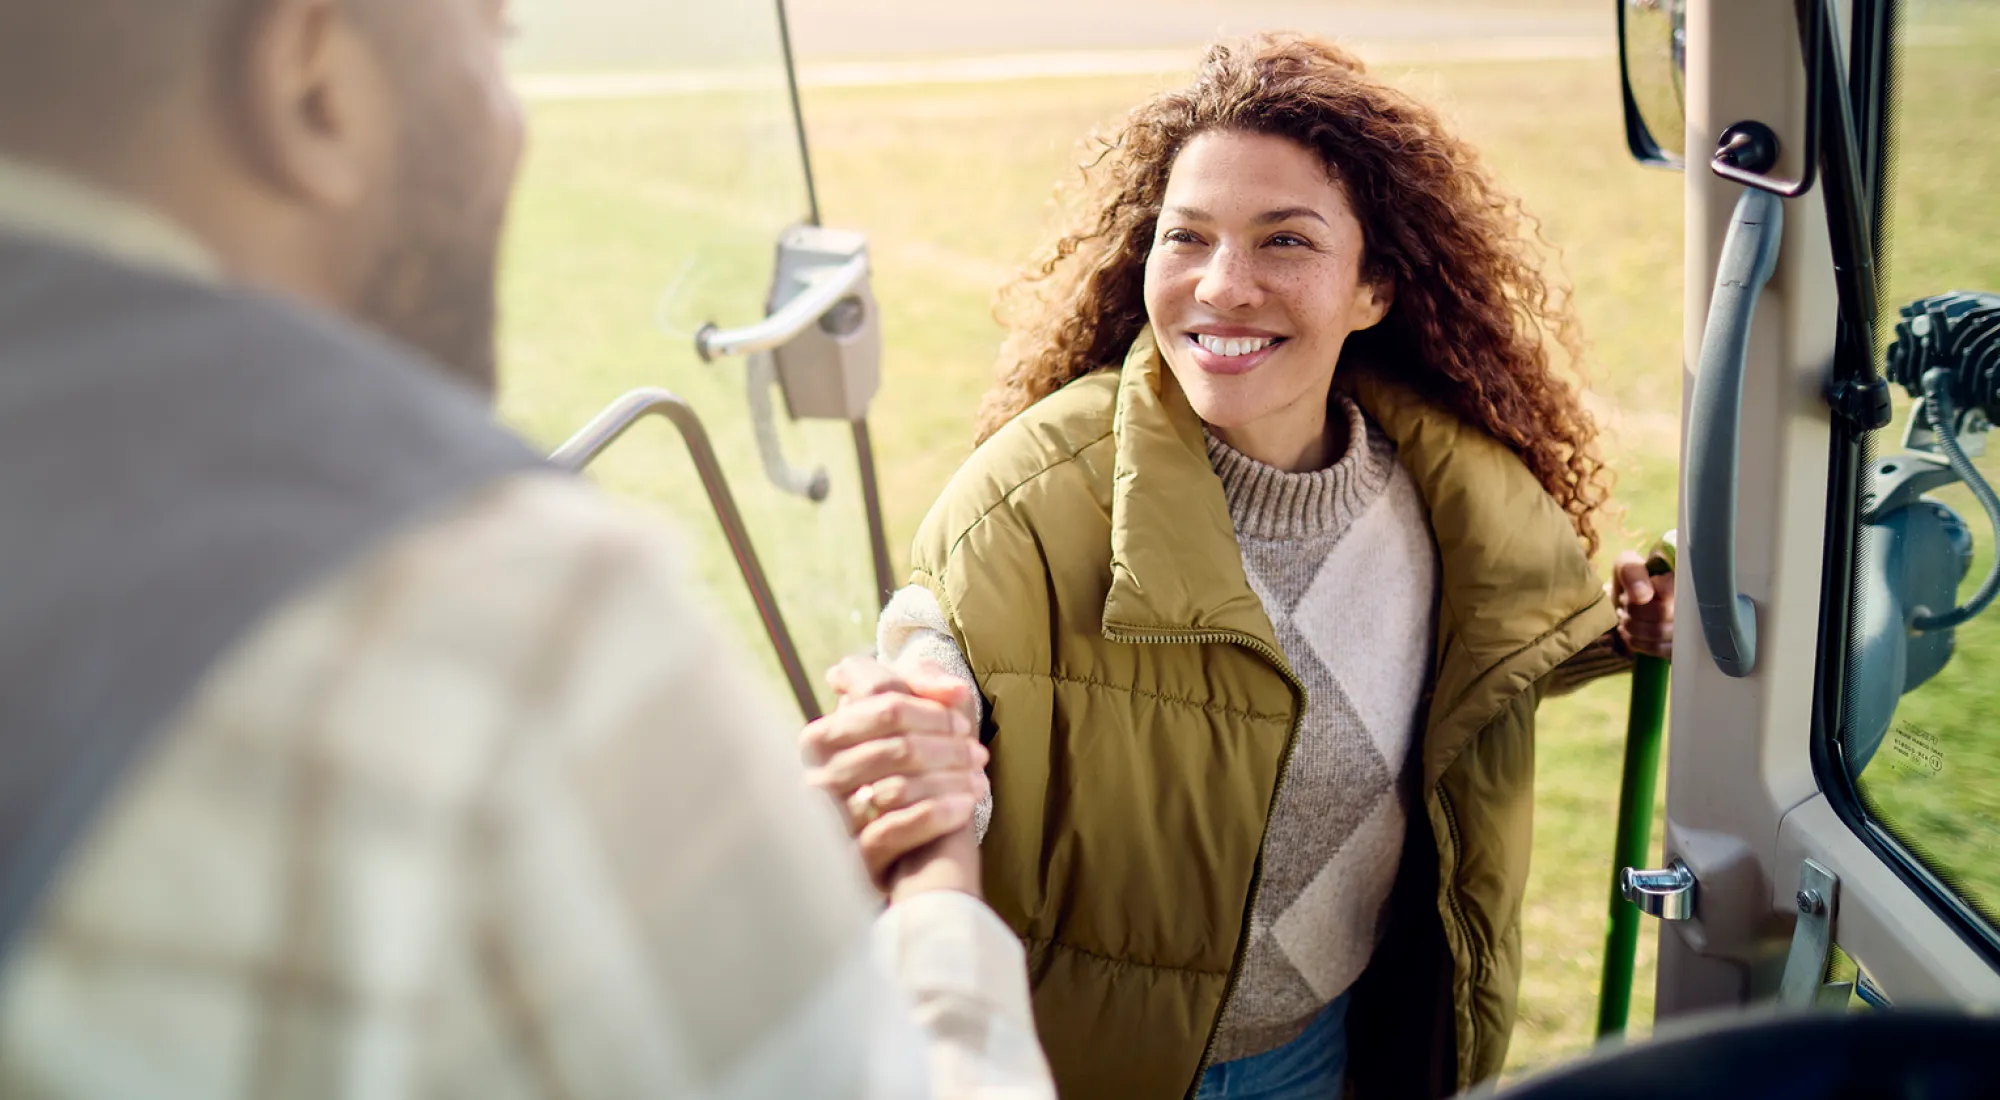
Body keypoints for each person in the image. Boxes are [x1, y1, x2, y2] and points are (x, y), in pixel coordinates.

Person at [0, 1, 1053, 1096]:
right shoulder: (497, 614)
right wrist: (935, 882)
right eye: (494, 41)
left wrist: (694, 844)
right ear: (315, 80)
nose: (513, 124)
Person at [799, 33, 1677, 1100]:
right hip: (1078, 1066)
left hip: (1322, 1046)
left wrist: (1622, 628)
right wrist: (904, 761)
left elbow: (1458, 663)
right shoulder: (1022, 501)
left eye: (1285, 241)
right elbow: (933, 688)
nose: (1223, 286)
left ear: (1375, 288)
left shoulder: (1460, 498)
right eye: (1188, 237)